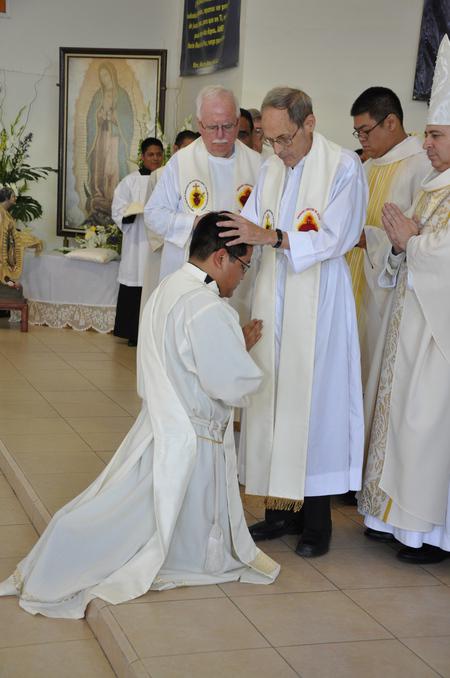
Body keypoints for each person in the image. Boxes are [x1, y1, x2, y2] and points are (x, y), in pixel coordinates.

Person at [0, 211, 280, 619]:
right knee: (143, 528)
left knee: (124, 506)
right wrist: (244, 353)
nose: (243, 278)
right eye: (244, 266)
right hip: (191, 440)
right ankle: (64, 554)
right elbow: (229, 384)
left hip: (160, 427)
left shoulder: (168, 287)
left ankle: (61, 548)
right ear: (221, 257)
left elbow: (186, 360)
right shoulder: (209, 308)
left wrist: (231, 345)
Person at [218, 87, 367, 557]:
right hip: (271, 293)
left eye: (284, 139)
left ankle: (317, 523)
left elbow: (338, 236)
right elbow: (248, 223)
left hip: (319, 300)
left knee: (313, 404)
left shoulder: (344, 167)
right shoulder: (269, 169)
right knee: (271, 399)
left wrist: (276, 236)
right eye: (270, 140)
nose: (278, 150)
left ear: (309, 124)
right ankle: (279, 511)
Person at [358, 35, 450, 565]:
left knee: (425, 425)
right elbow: (410, 245)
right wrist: (397, 246)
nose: (426, 143)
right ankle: (390, 519)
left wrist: (410, 242)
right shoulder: (433, 185)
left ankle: (429, 534)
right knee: (398, 419)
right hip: (409, 324)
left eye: (435, 135)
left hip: (438, 337)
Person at [349, 87, 430, 381]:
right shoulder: (366, 167)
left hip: (385, 294)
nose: (362, 140)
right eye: (357, 133)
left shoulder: (421, 165)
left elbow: (418, 234)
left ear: (391, 122)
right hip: (354, 282)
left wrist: (365, 238)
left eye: (366, 131)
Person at [144, 86, 262, 288]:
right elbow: (153, 215)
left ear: (237, 122)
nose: (220, 135)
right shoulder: (181, 163)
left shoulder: (258, 165)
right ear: (200, 125)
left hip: (240, 277)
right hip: (188, 273)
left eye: (228, 126)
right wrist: (194, 223)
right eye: (212, 127)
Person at [139, 132, 199, 315]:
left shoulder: (198, 172)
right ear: (175, 149)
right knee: (158, 297)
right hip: (163, 244)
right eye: (185, 148)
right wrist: (161, 242)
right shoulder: (159, 174)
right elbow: (152, 212)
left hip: (190, 247)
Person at [112, 137, 164, 346]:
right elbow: (118, 208)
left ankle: (154, 334)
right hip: (137, 241)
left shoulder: (167, 177)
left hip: (159, 243)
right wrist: (132, 212)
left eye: (159, 154)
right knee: (136, 282)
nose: (155, 158)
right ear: (142, 157)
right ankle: (133, 333)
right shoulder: (130, 181)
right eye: (150, 154)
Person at [86, 61, 133, 224]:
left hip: (115, 139)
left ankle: (113, 199)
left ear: (112, 75)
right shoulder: (98, 95)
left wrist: (114, 118)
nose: (104, 79)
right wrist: (98, 117)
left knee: (112, 168)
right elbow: (90, 117)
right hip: (101, 137)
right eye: (101, 76)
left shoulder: (122, 95)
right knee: (99, 166)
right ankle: (98, 197)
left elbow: (128, 120)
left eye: (106, 75)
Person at [0, 186, 42, 296]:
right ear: (7, 198)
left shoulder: (4, 212)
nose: (15, 198)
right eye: (13, 196)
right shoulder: (1, 213)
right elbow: (2, 237)